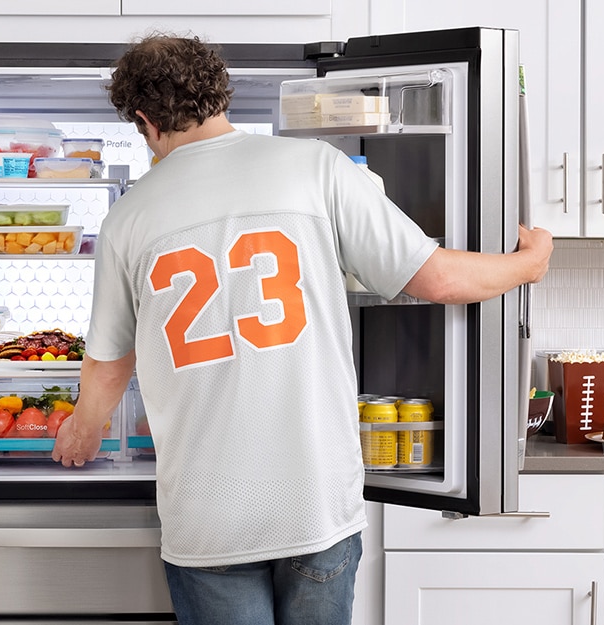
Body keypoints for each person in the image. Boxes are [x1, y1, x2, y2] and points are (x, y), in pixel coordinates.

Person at [52, 33, 553, 625]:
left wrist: (83, 432)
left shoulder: (127, 218)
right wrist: (528, 263)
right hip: (315, 501)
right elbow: (436, 278)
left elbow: (111, 362)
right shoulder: (315, 166)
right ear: (220, 94)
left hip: (209, 516)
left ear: (144, 120)